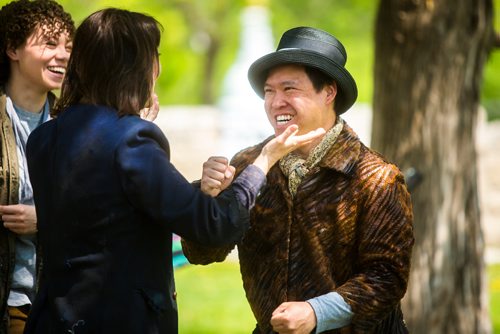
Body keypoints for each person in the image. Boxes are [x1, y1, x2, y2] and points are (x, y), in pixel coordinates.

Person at [23, 9, 325, 334]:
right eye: (155, 56)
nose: (157, 67)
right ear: (134, 66)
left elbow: (114, 205)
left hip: (53, 320)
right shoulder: (133, 139)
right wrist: (263, 161)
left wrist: (203, 189)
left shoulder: (43, 138)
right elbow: (213, 227)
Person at [182, 27, 415, 333]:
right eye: (269, 91)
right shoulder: (249, 166)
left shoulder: (376, 178)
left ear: (328, 93)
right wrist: (208, 200)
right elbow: (202, 254)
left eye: (290, 89)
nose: (276, 101)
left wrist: (317, 312)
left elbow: (387, 277)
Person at [0, 1, 74, 332]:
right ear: (12, 48)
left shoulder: (75, 125)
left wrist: (47, 219)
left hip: (60, 303)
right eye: (49, 43)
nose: (63, 55)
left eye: (68, 47)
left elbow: (101, 209)